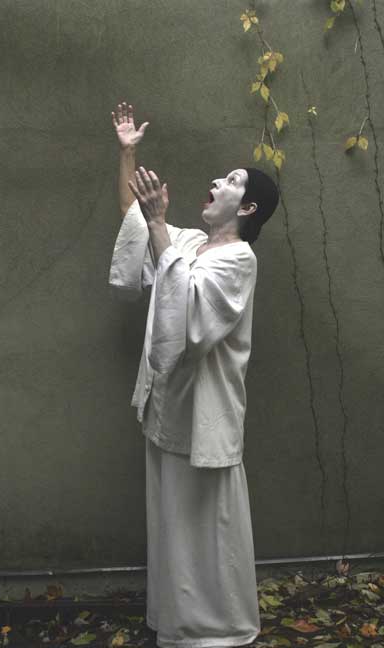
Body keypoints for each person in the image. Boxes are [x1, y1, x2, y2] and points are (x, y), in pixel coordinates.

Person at [108, 101, 279, 648]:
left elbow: (194, 321)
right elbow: (136, 223)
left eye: (230, 181)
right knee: (173, 525)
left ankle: (220, 628)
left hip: (205, 416)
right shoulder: (185, 242)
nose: (216, 182)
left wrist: (159, 224)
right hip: (168, 408)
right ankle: (177, 623)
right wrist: (128, 154)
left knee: (209, 527)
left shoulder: (240, 260)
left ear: (247, 206)